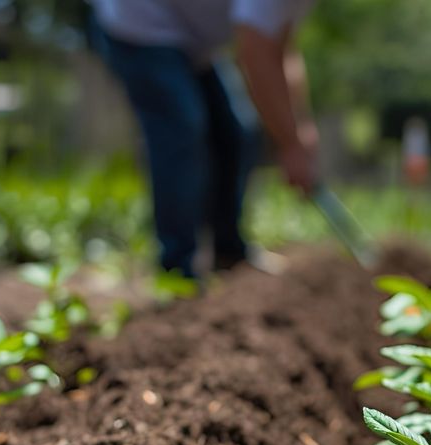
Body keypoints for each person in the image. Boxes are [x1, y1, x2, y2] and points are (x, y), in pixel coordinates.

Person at [87, 0, 317, 277]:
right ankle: (177, 267)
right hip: (139, 21)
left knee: (234, 133)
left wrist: (300, 127)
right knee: (181, 129)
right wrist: (290, 144)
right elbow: (255, 54)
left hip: (192, 40)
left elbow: (280, 46)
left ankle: (228, 252)